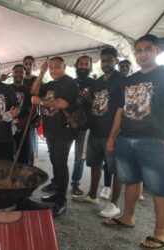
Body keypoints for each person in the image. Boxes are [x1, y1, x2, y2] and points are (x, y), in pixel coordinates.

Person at [104, 34, 164, 249]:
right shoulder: (130, 80)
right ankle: (127, 217)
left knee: (159, 188)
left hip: (155, 140)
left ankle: (160, 233)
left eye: (147, 49)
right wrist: (112, 137)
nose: (142, 54)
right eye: (138, 50)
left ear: (157, 50)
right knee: (130, 180)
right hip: (126, 138)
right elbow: (120, 112)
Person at [73, 47, 125, 218]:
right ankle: (93, 195)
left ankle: (114, 204)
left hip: (112, 133)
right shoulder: (98, 82)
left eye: (110, 60)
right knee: (94, 164)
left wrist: (114, 135)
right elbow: (96, 103)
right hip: (95, 130)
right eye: (103, 60)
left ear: (116, 61)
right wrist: (86, 98)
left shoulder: (121, 80)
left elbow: (122, 110)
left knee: (116, 169)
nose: (106, 63)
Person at [31, 57, 78, 216]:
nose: (54, 70)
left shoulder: (68, 82)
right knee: (54, 162)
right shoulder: (50, 84)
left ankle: (61, 200)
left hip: (64, 131)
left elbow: (62, 104)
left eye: (57, 67)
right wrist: (41, 73)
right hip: (50, 130)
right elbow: (34, 91)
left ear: (64, 67)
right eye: (51, 68)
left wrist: (41, 102)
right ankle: (57, 193)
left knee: (60, 164)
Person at [70, 55, 95, 196]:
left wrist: (88, 98)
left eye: (87, 64)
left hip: (84, 126)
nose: (84, 66)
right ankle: (56, 182)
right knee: (59, 155)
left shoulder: (94, 83)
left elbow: (97, 106)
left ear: (90, 66)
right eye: (81, 64)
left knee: (80, 157)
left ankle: (75, 184)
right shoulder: (70, 82)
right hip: (68, 125)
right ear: (76, 65)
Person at [10, 64, 31, 164]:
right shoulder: (7, 88)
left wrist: (25, 120)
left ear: (24, 74)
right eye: (16, 72)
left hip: (23, 126)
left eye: (21, 72)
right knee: (9, 152)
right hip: (8, 126)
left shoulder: (29, 90)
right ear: (13, 73)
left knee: (23, 153)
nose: (18, 74)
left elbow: (33, 109)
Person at [23, 55, 39, 166]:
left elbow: (39, 97)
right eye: (26, 63)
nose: (28, 66)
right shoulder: (19, 78)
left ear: (33, 66)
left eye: (30, 64)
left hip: (32, 116)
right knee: (20, 144)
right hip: (19, 116)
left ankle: (32, 167)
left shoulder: (37, 79)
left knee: (32, 145)